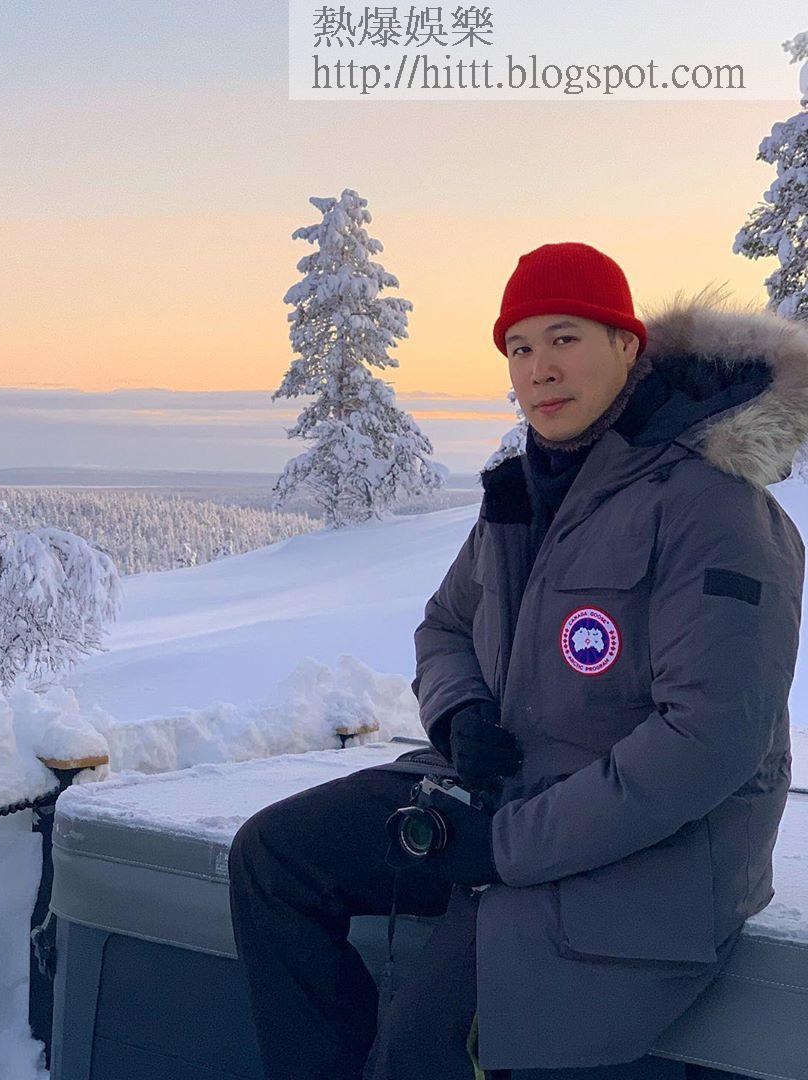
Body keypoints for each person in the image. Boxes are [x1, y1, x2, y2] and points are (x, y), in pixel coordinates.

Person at [228, 241, 807, 1079]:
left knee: (420, 1055)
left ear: (628, 345)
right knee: (274, 860)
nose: (541, 369)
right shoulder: (525, 493)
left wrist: (503, 845)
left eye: (566, 338)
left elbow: (708, 744)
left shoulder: (712, 508)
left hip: (645, 854)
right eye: (520, 348)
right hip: (510, 795)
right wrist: (461, 713)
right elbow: (445, 626)